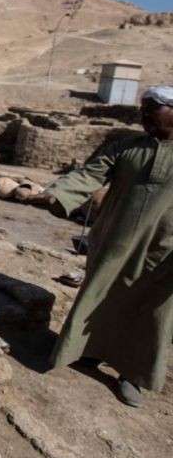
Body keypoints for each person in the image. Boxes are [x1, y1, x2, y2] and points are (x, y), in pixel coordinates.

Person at [33, 86, 173, 408]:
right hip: (115, 242)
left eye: (152, 110)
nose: (144, 117)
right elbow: (88, 175)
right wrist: (61, 194)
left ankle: (132, 375)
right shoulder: (124, 148)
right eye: (143, 111)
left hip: (162, 253)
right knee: (101, 296)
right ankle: (87, 351)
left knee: (152, 313)